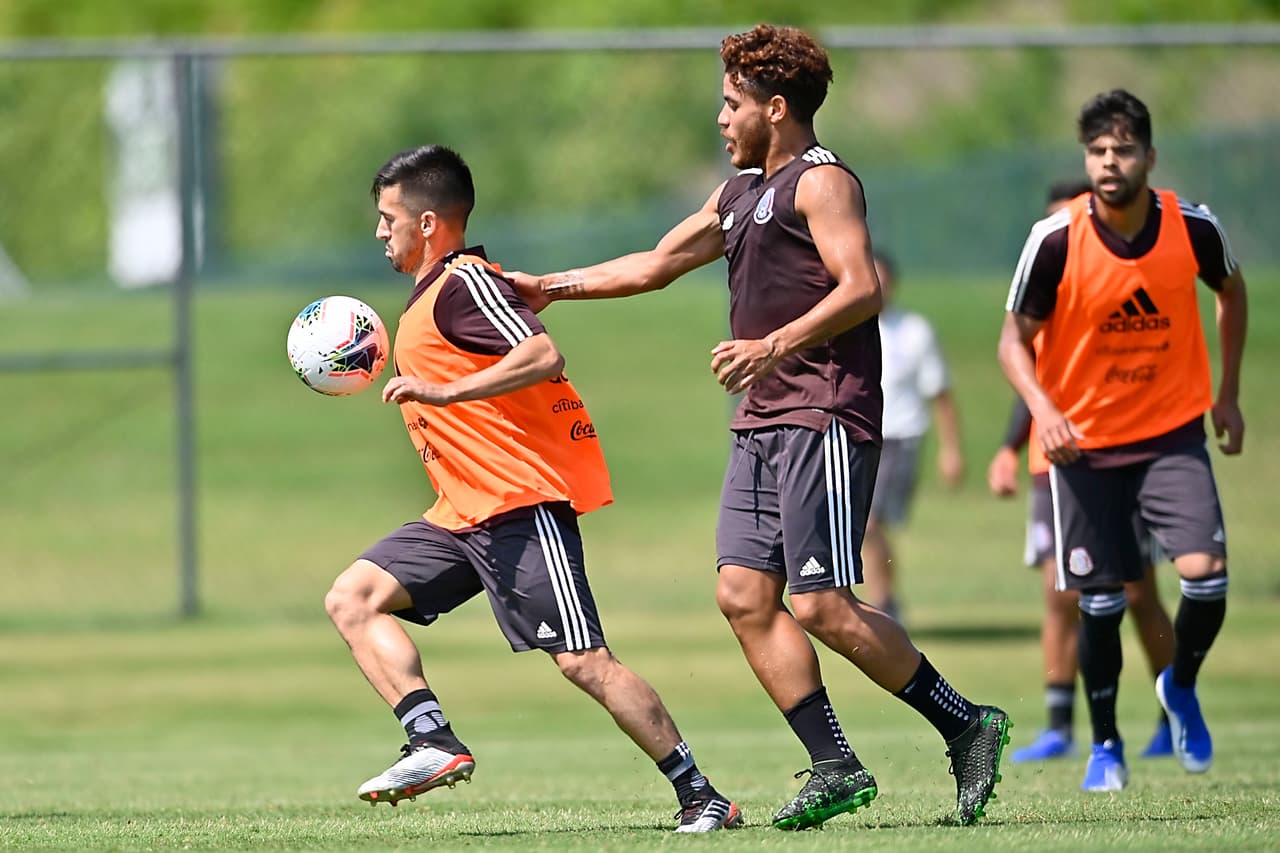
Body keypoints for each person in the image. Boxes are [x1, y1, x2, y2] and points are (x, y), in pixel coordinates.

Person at [510, 24, 1010, 829]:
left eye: (731, 102)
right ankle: (835, 764)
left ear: (775, 108)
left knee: (820, 604)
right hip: (763, 418)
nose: (720, 117)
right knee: (743, 594)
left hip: (825, 410)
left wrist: (772, 343)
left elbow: (863, 286)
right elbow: (656, 262)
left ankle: (966, 723)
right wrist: (551, 285)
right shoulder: (739, 192)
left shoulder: (824, 182)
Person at [323, 145, 741, 833]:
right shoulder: (433, 295)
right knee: (352, 597)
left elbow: (543, 353)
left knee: (584, 662)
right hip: (459, 514)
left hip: (517, 507)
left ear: (429, 222)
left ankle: (703, 795)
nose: (379, 231)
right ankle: (432, 739)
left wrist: (443, 389)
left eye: (387, 217)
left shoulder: (465, 281)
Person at [999, 90, 1246, 792]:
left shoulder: (1192, 227)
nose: (1110, 163)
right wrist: (1042, 410)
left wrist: (1226, 394)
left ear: (1150, 157)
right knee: (1100, 601)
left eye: (1124, 150)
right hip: (1085, 447)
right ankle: (1105, 743)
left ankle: (1181, 684)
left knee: (1206, 572)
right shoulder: (1054, 237)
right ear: (1087, 159)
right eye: (1099, 152)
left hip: (1172, 435)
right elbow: (1012, 342)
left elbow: (1233, 292)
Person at [989, 180, 1176, 763]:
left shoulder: (1107, 294)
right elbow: (1032, 378)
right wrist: (1007, 447)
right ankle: (1060, 726)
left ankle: (1175, 713)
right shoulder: (1038, 294)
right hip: (1054, 467)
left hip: (1116, 456)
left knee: (1138, 589)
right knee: (1059, 594)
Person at [861, 250, 965, 621]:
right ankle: (886, 601)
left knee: (871, 523)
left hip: (900, 439)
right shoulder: (847, 327)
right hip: (858, 437)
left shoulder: (915, 331)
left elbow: (941, 394)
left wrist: (951, 450)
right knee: (867, 526)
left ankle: (885, 603)